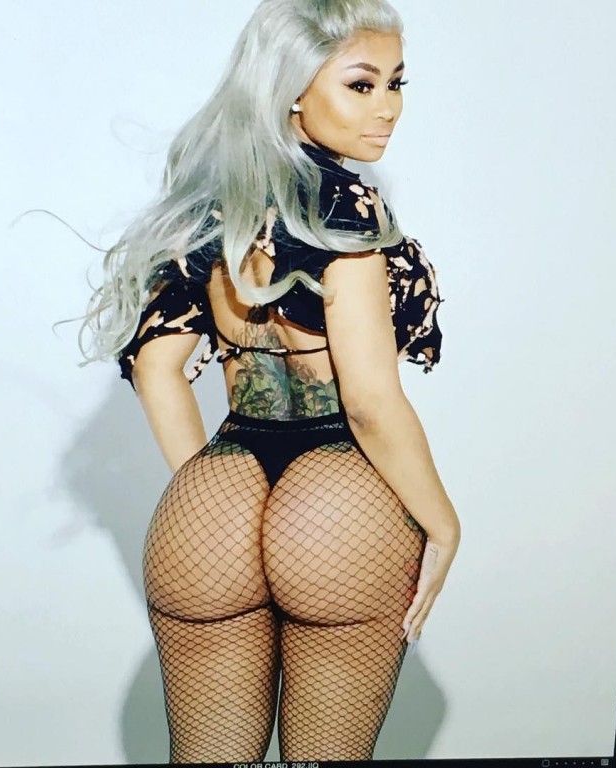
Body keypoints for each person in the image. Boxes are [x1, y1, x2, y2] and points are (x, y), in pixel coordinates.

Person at [81, 0, 460, 761]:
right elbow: (369, 401)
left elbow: (157, 366)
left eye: (396, 83)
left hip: (217, 494)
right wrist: (444, 525)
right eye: (361, 84)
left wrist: (210, 491)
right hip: (337, 492)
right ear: (292, 88)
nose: (388, 108)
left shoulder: (208, 210)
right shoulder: (348, 208)